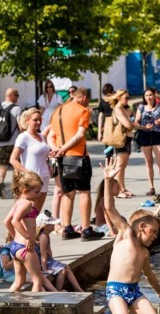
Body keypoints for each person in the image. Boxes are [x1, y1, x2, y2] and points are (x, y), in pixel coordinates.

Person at [101, 157, 160, 314]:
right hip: (115, 290)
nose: (156, 236)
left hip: (133, 291)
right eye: (154, 231)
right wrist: (109, 180)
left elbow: (149, 276)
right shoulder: (125, 235)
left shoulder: (144, 252)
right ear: (142, 227)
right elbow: (109, 207)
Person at [49, 87, 104, 242]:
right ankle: (86, 229)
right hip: (78, 156)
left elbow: (51, 136)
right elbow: (80, 135)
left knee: (68, 193)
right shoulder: (83, 111)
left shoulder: (57, 111)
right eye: (87, 100)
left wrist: (57, 150)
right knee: (84, 192)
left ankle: (67, 228)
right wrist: (65, 148)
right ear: (84, 97)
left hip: (61, 158)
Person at [3, 170, 47, 292]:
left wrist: (15, 237)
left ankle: (8, 305)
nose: (39, 195)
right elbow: (14, 221)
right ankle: (35, 308)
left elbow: (6, 221)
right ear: (25, 191)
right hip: (26, 249)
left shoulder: (18, 202)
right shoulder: (27, 203)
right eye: (36, 192)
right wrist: (28, 237)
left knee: (19, 281)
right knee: (38, 280)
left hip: (16, 247)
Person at [10, 108, 56, 211]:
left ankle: (34, 227)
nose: (38, 122)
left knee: (36, 213)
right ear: (27, 120)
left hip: (44, 178)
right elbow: (13, 159)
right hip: (31, 181)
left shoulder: (41, 136)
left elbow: (41, 156)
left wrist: (49, 164)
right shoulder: (23, 137)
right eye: (35, 120)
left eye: (40, 119)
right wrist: (28, 173)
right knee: (26, 213)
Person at [134, 88, 160, 197]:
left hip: (156, 136)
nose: (149, 97)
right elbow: (136, 123)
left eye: (150, 95)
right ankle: (151, 187)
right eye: (146, 95)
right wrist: (144, 126)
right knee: (148, 163)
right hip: (145, 135)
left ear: (154, 96)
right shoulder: (141, 107)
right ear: (144, 97)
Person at [36, 212, 85, 292]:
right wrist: (45, 269)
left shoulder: (46, 234)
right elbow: (43, 254)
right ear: (46, 226)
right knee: (62, 270)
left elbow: (49, 251)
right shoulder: (43, 237)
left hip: (47, 260)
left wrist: (52, 261)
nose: (54, 225)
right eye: (52, 224)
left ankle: (78, 288)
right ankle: (58, 290)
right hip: (41, 262)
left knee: (66, 266)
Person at [103, 89, 139, 198]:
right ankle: (118, 191)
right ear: (119, 97)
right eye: (126, 98)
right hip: (121, 140)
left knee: (122, 166)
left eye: (128, 97)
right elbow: (128, 125)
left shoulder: (123, 109)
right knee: (119, 166)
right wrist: (134, 124)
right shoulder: (118, 109)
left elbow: (130, 124)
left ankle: (122, 188)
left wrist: (134, 124)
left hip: (126, 139)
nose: (128, 100)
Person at [0, 88, 22, 198]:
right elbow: (20, 126)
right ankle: (15, 188)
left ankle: (1, 182)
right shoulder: (17, 108)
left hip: (1, 142)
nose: (18, 98)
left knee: (2, 165)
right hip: (14, 142)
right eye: (17, 95)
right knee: (16, 164)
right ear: (12, 96)